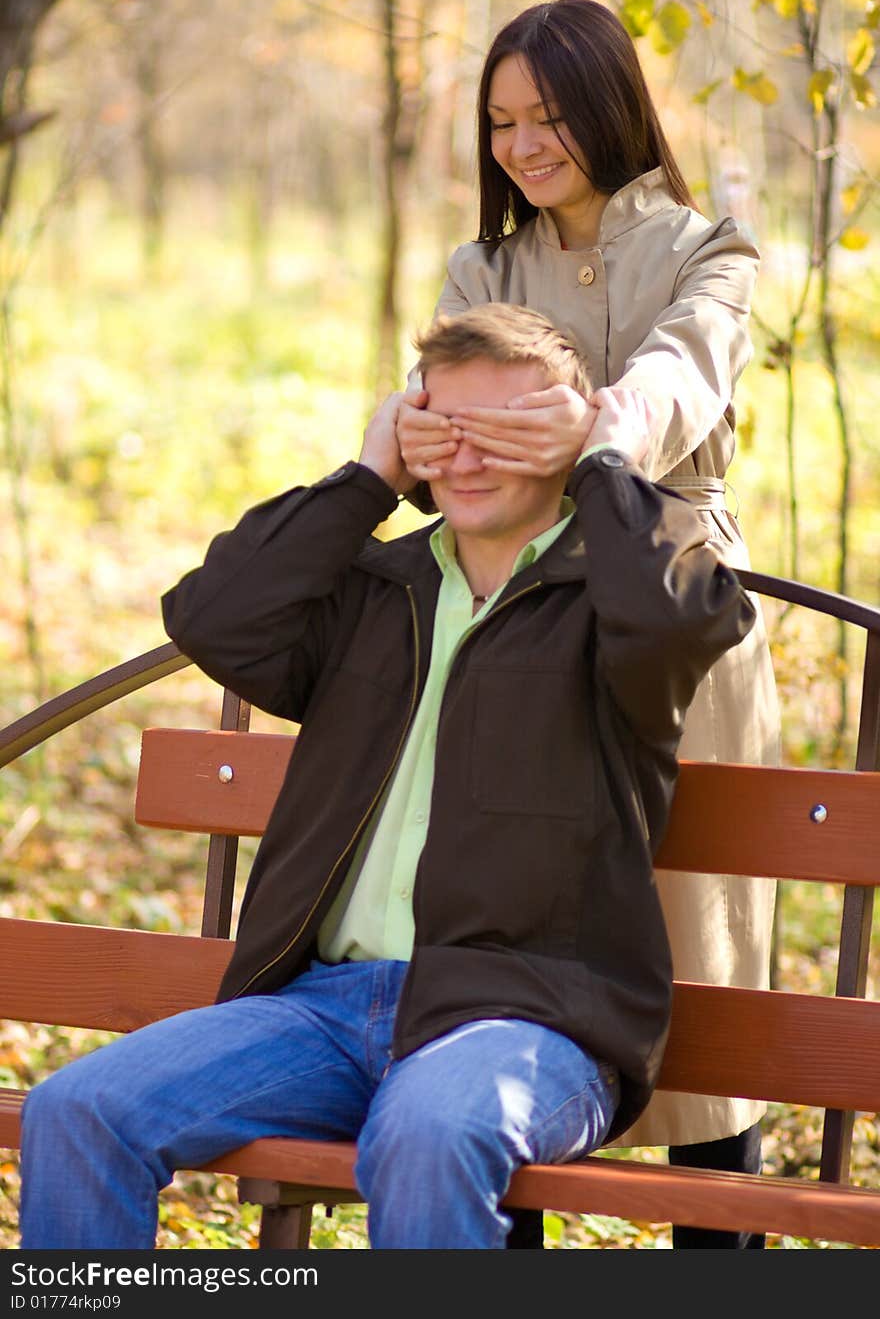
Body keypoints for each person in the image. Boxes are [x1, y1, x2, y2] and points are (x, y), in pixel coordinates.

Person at [19, 304, 756, 1250]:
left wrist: (608, 460)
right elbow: (213, 618)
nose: (469, 455)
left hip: (524, 1014)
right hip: (321, 1009)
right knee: (79, 1110)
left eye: (507, 428)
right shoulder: (375, 591)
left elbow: (680, 623)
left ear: (565, 433)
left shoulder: (609, 605)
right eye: (442, 427)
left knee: (431, 1130)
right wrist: (368, 476)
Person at [397, 0, 780, 1250]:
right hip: (515, 624)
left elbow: (684, 370)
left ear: (608, 105)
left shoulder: (707, 248)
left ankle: (716, 1253)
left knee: (697, 937)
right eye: (501, 121)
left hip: (673, 612)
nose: (522, 143)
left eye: (548, 114)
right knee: (514, 929)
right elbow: (433, 408)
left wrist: (600, 429)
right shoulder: (482, 268)